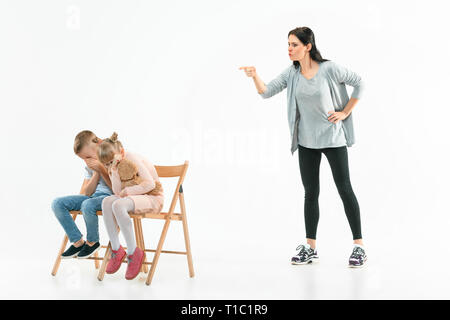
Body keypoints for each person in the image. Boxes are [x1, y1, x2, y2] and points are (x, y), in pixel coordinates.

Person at [239, 27, 367, 267]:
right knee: (311, 194)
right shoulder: (292, 73)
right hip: (306, 142)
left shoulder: (329, 69)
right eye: (288, 44)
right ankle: (310, 247)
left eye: (294, 44)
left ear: (308, 46)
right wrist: (254, 76)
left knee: (344, 189)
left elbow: (360, 83)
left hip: (333, 139)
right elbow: (266, 92)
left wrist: (345, 112)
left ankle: (359, 246)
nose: (289, 49)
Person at [98, 132, 164, 280]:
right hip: (134, 197)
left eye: (110, 162)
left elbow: (150, 184)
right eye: (106, 164)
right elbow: (117, 191)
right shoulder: (113, 165)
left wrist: (129, 191)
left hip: (152, 197)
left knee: (118, 205)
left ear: (120, 152)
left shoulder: (131, 158)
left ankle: (134, 253)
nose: (109, 165)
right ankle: (116, 250)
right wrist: (113, 171)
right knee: (107, 201)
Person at [52, 130, 113, 259]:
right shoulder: (90, 167)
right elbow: (87, 192)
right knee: (57, 203)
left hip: (110, 197)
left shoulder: (111, 159)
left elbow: (117, 189)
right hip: (92, 198)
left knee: (87, 204)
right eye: (84, 159)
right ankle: (78, 242)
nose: (86, 161)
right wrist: (96, 173)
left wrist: (102, 169)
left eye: (88, 157)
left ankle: (92, 242)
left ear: (98, 145)